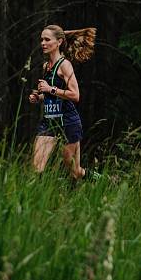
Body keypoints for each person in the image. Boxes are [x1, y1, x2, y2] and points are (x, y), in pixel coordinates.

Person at [28, 24, 96, 180]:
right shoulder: (47, 66)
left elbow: (75, 95)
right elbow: (51, 94)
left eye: (47, 40)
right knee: (36, 169)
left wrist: (50, 89)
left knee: (75, 172)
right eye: (41, 40)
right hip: (49, 123)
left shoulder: (65, 65)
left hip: (68, 122)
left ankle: (105, 181)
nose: (43, 43)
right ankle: (38, 203)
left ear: (58, 42)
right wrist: (39, 97)